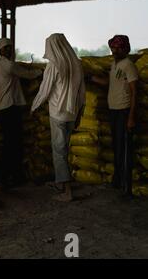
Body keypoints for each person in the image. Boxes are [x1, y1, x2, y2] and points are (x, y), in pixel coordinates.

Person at [31, 33, 86, 202]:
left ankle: (67, 191)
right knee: (64, 149)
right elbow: (82, 92)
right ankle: (61, 183)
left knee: (59, 152)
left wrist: (34, 106)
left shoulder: (54, 65)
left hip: (58, 114)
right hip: (72, 113)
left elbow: (45, 90)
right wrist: (80, 113)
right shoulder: (77, 63)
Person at [0, 38, 43, 188]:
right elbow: (27, 74)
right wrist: (41, 71)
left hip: (2, 109)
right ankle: (8, 174)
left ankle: (3, 174)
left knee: (9, 142)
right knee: (14, 143)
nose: (9, 50)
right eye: (6, 48)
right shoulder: (9, 65)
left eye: (10, 48)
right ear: (0, 50)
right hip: (10, 108)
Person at [91, 35, 138, 199]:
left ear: (126, 48)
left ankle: (127, 187)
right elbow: (111, 84)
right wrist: (91, 78)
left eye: (118, 48)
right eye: (113, 48)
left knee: (124, 149)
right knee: (116, 146)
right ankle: (118, 180)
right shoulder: (114, 64)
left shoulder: (128, 65)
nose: (114, 51)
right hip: (114, 111)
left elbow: (134, 91)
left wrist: (131, 117)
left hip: (124, 111)